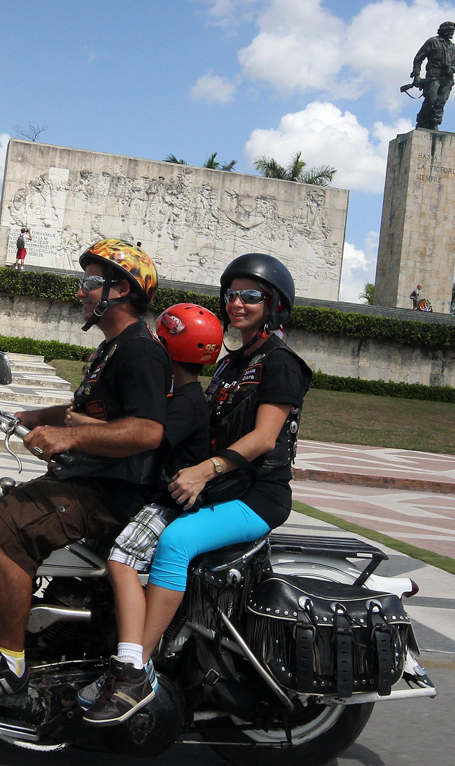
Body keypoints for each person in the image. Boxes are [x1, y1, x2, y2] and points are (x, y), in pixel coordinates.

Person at [0, 239, 171, 706]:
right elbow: (85, 410)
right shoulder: (112, 349)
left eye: (90, 283)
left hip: (111, 493)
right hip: (85, 481)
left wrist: (70, 437)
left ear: (121, 289)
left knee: (2, 529)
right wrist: (34, 415)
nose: (81, 292)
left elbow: (147, 431)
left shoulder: (140, 351)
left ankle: (9, 664)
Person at [83, 253, 312, 726]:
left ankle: (133, 673)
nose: (237, 304)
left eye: (251, 296)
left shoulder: (281, 363)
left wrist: (204, 470)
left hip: (257, 495)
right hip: (222, 488)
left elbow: (265, 437)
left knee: (175, 542)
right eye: (231, 295)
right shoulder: (232, 364)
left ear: (274, 304)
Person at [73, 303, 223, 722]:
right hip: (164, 499)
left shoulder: (186, 403)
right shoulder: (186, 395)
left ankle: (130, 665)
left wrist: (84, 426)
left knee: (121, 559)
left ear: (169, 346)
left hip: (171, 505)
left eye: (160, 338)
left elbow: (147, 439)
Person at [411, 21, 455, 131]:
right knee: (431, 99)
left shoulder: (452, 47)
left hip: (447, 79)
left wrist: (452, 69)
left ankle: (434, 122)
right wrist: (416, 75)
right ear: (444, 30)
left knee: (441, 101)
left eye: (453, 31)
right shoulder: (432, 42)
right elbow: (418, 58)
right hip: (433, 77)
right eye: (450, 31)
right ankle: (422, 122)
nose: (452, 33)